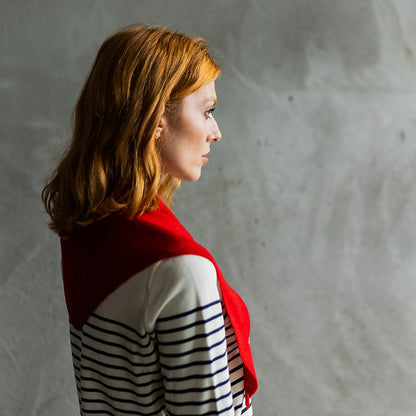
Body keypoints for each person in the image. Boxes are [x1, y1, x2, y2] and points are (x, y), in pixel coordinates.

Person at [42, 23, 257, 415]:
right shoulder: (179, 270)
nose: (216, 131)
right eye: (207, 111)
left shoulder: (87, 233)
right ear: (157, 117)